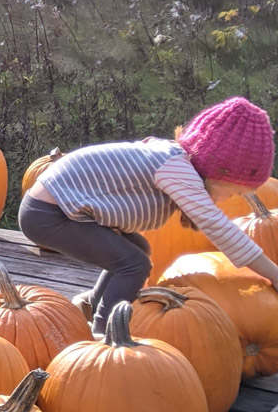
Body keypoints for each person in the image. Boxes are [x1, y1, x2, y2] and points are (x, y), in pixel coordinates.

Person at [19, 96, 278, 337]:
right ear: (218, 169)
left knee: (138, 250)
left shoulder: (173, 157)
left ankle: (93, 305)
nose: (233, 198)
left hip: (59, 207)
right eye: (235, 190)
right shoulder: (178, 169)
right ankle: (104, 333)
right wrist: (274, 274)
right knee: (134, 265)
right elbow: (221, 229)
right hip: (50, 213)